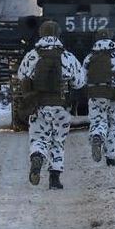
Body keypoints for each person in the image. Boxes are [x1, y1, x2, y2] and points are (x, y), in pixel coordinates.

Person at [16, 20, 85, 189]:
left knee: (39, 139)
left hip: (38, 106)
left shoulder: (32, 55)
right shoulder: (67, 56)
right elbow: (80, 82)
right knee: (58, 141)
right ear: (58, 34)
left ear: (41, 34)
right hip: (62, 107)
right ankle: (55, 178)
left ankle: (38, 157)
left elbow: (21, 76)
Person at [82, 29, 115, 166]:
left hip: (95, 95)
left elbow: (82, 79)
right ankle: (111, 157)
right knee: (114, 125)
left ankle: (97, 136)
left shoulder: (90, 57)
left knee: (98, 121)